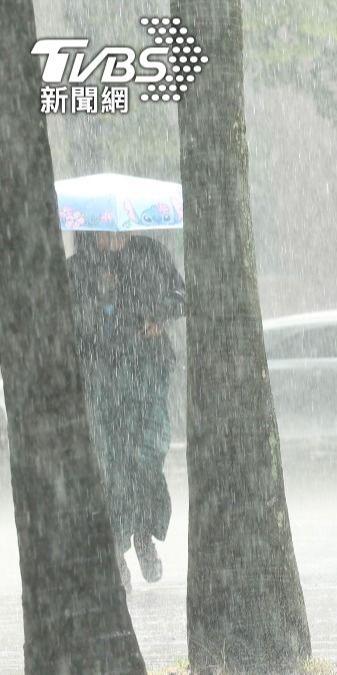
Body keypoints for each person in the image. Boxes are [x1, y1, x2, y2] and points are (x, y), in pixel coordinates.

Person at [69, 231, 184, 591]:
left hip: (147, 371)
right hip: (101, 379)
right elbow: (68, 324)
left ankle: (144, 532)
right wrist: (97, 308)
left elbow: (180, 295)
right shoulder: (77, 269)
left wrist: (158, 315)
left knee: (147, 455)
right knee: (111, 465)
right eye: (105, 232)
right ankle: (116, 548)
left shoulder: (149, 253)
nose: (115, 236)